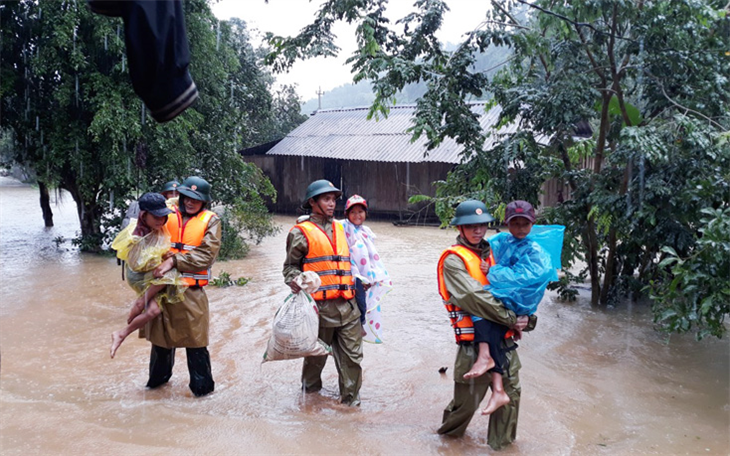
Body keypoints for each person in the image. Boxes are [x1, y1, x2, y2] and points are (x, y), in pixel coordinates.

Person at [436, 200, 537, 450]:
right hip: (473, 348)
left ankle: (502, 449)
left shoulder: (496, 253)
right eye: (471, 226)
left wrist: (528, 318)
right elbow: (474, 297)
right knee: (463, 410)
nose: (477, 230)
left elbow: (520, 288)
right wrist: (513, 319)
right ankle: (445, 445)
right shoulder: (453, 260)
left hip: (505, 345)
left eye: (481, 225)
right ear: (460, 228)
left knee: (508, 408)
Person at [462, 200, 555, 416]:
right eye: (515, 223)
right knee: (483, 307)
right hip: (506, 303)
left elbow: (528, 277)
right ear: (507, 223)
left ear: (533, 223)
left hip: (518, 300)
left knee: (482, 305)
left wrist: (493, 271)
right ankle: (496, 385)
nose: (520, 228)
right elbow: (483, 253)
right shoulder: (502, 241)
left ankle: (489, 366)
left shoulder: (536, 251)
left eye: (525, 223)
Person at [283, 179, 363, 406]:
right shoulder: (300, 232)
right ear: (312, 202)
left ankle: (350, 405)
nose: (331, 204)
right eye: (326, 199)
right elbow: (290, 267)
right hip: (319, 310)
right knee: (315, 359)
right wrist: (295, 280)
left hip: (348, 306)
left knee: (353, 359)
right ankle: (309, 400)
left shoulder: (343, 228)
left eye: (334, 200)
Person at [145, 176, 221, 397]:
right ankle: (155, 391)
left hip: (191, 291)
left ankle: (202, 394)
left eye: (196, 199)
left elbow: (206, 255)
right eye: (187, 197)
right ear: (181, 195)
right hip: (163, 288)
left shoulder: (211, 221)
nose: (190, 202)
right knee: (160, 343)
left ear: (204, 201)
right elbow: (143, 226)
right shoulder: (165, 211)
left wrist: (173, 261)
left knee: (196, 344)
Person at [110, 193, 186, 359]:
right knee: (171, 271)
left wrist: (182, 195)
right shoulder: (138, 237)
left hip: (148, 275)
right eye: (156, 217)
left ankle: (121, 334)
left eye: (164, 217)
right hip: (139, 275)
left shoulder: (154, 228)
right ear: (144, 215)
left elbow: (172, 202)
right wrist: (163, 260)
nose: (161, 221)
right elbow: (138, 265)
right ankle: (139, 303)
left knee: (153, 311)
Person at [340, 194, 392, 344]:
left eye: (360, 212)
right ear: (346, 214)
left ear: (366, 214)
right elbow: (329, 223)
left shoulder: (366, 231)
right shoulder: (343, 226)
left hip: (366, 274)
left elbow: (371, 257)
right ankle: (361, 323)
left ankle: (362, 322)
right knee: (361, 301)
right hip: (352, 272)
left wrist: (372, 277)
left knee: (367, 301)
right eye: (353, 212)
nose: (357, 215)